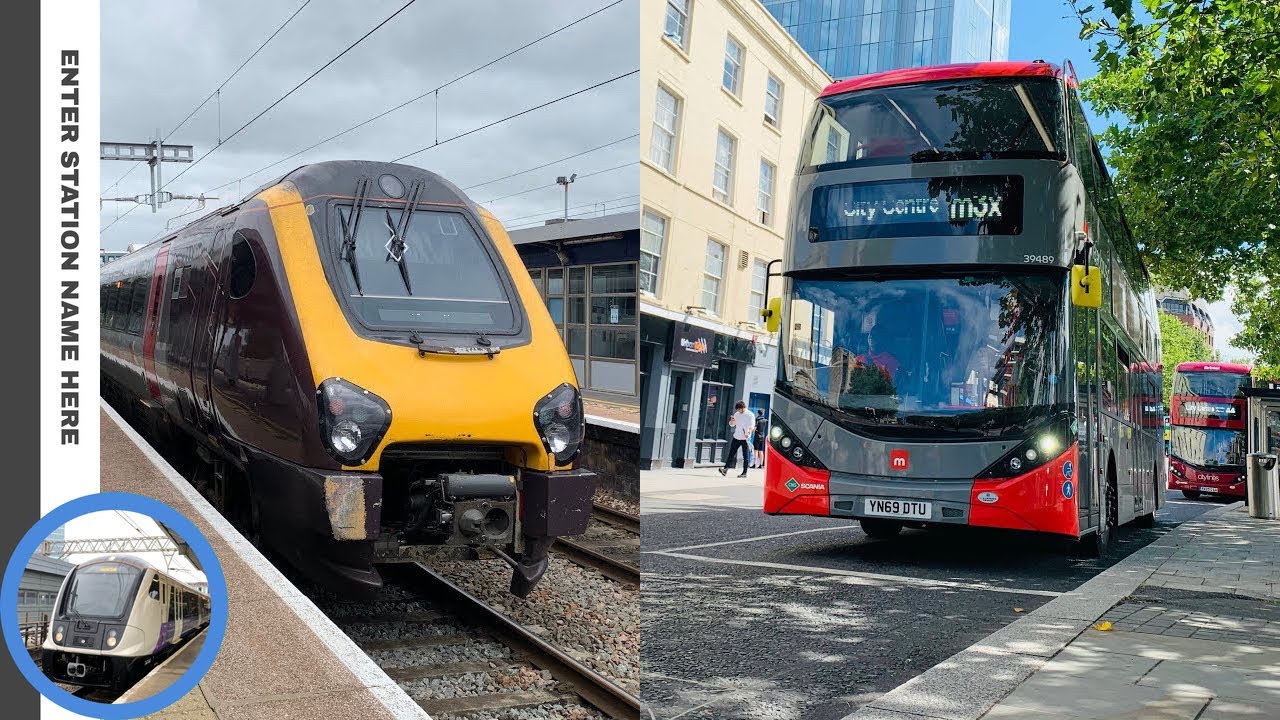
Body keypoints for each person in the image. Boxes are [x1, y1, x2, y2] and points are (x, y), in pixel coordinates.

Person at [719, 400, 757, 477]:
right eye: (737, 410)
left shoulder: (750, 415)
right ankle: (725, 469)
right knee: (731, 453)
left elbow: (752, 426)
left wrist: (748, 432)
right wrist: (732, 421)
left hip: (745, 438)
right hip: (736, 436)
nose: (738, 411)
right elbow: (732, 425)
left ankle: (744, 472)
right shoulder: (737, 414)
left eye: (739, 409)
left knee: (745, 455)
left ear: (742, 408)